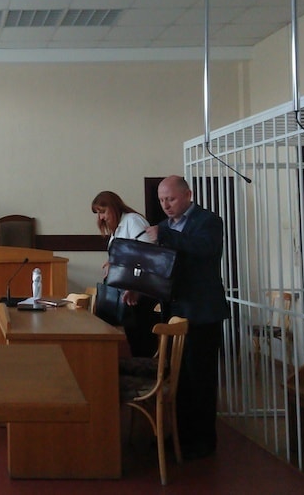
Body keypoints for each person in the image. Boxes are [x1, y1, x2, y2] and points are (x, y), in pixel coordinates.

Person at [141, 175, 228, 460]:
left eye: (171, 199)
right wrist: (138, 289)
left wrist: (165, 236)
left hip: (202, 312)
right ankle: (179, 435)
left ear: (188, 195)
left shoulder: (208, 221)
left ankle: (203, 441)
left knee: (200, 378)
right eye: (161, 200)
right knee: (179, 379)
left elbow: (205, 248)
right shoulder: (165, 226)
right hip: (175, 312)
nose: (165, 205)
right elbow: (161, 268)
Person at [91, 190, 161, 358]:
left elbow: (148, 255)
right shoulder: (116, 230)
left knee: (141, 341)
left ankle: (146, 370)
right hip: (128, 292)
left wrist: (119, 264)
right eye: (98, 213)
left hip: (140, 291)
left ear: (114, 207)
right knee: (133, 340)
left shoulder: (132, 221)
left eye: (103, 211)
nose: (101, 217)